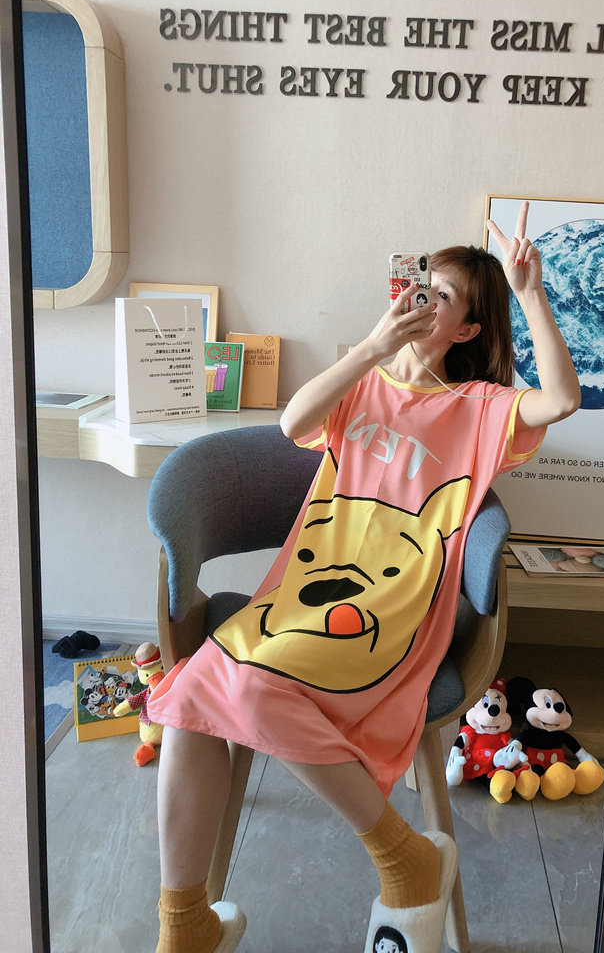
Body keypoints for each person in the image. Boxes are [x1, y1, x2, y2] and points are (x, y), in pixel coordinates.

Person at [147, 201, 581, 953]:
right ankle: (185, 927)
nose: (422, 297)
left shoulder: (479, 409)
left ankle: (400, 857)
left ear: (467, 331)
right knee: (189, 700)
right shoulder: (363, 383)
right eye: (420, 282)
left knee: (240, 683)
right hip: (305, 588)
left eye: (442, 296)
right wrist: (374, 348)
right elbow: (293, 425)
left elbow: (564, 400)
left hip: (391, 601)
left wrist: (531, 292)